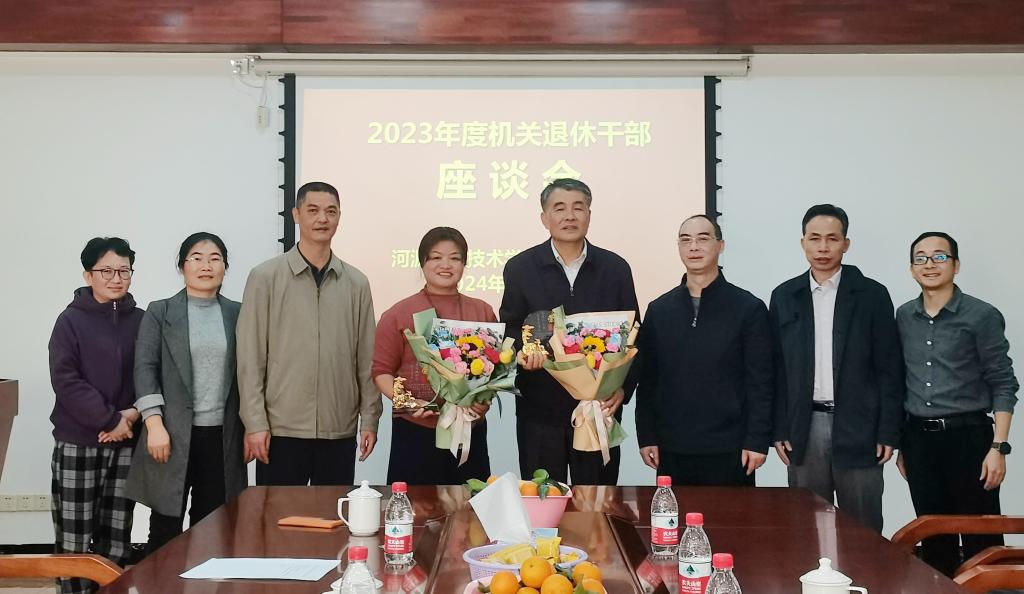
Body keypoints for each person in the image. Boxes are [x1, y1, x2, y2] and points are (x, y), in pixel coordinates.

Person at [237, 181, 382, 486]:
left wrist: (369, 419)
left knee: (333, 514)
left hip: (338, 429)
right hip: (280, 429)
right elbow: (250, 358)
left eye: (331, 212)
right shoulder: (265, 277)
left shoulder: (356, 283)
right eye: (313, 210)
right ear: (296, 215)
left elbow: (367, 359)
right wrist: (255, 422)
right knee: (278, 515)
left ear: (339, 217)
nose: (322, 219)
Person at [769, 204, 903, 533]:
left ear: (846, 243)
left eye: (832, 239)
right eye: (815, 239)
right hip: (804, 426)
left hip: (859, 426)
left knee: (862, 526)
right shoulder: (785, 295)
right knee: (808, 526)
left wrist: (888, 430)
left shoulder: (872, 295)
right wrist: (778, 428)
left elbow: (889, 368)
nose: (823, 247)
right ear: (803, 243)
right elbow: (776, 370)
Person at [499, 178, 640, 485]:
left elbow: (633, 336)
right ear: (544, 217)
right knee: (543, 498)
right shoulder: (521, 268)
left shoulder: (615, 268)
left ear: (589, 214)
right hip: (540, 410)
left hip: (598, 410)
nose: (569, 216)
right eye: (559, 208)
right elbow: (510, 328)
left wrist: (621, 389)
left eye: (578, 207)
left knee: (597, 501)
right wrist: (523, 355)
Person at [895, 231, 1019, 576]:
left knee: (982, 537)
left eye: (939, 256)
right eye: (920, 258)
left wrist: (998, 448)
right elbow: (901, 382)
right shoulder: (904, 316)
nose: (929, 264)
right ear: (911, 268)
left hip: (969, 439)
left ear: (956, 265)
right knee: (933, 536)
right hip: (919, 441)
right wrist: (902, 444)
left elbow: (1003, 382)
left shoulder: (981, 315)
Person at [125, 232, 246, 554]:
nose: (206, 265)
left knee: (213, 530)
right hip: (171, 434)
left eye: (215, 259)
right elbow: (145, 368)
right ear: (182, 267)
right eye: (197, 258)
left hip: (222, 437)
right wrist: (154, 424)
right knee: (165, 530)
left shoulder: (238, 313)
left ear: (225, 267)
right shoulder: (161, 311)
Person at [636, 215, 773, 485]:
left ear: (720, 245)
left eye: (703, 238)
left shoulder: (748, 308)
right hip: (671, 446)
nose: (694, 247)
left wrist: (757, 439)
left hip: (730, 447)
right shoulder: (660, 310)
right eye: (685, 240)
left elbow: (761, 382)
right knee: (673, 514)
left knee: (732, 514)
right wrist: (647, 435)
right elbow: (648, 380)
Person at [48, 237, 144, 594]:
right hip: (79, 443)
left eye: (124, 271)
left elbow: (151, 373)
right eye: (106, 271)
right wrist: (110, 420)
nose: (116, 278)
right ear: (88, 275)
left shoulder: (142, 320)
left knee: (116, 537)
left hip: (126, 443)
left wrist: (131, 415)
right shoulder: (69, 321)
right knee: (75, 539)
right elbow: (66, 381)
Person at [372, 227, 494, 484]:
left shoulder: (482, 311)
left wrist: (483, 402)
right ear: (422, 263)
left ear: (464, 264)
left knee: (469, 503)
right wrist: (407, 402)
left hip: (468, 430)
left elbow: (493, 370)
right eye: (436, 257)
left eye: (455, 258)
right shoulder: (398, 313)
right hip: (416, 432)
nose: (445, 265)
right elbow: (381, 372)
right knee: (417, 507)